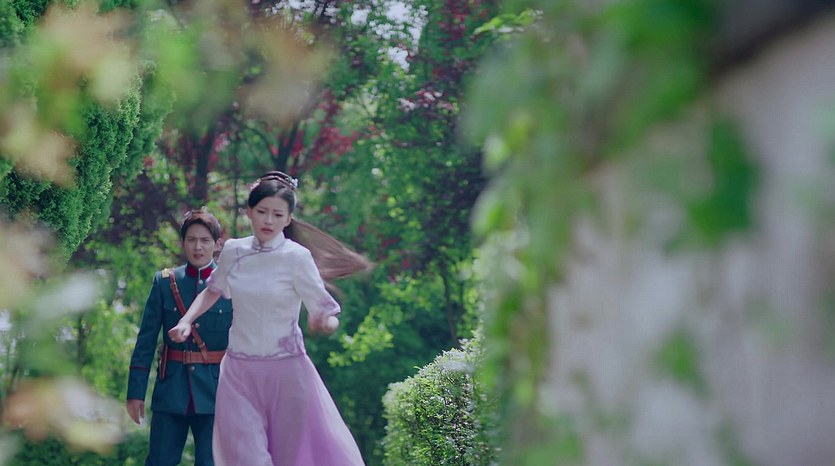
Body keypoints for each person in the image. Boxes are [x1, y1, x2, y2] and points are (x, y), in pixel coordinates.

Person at [168, 171, 371, 466]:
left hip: (287, 372)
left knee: (293, 457)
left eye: (277, 214)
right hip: (239, 371)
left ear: (288, 219)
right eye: (262, 211)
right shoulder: (234, 251)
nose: (268, 220)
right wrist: (186, 320)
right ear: (249, 211)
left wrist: (324, 323)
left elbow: (325, 310)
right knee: (247, 457)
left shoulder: (297, 258)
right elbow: (213, 291)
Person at [126, 209, 233, 466]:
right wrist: (135, 393)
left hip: (217, 392)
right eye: (191, 240)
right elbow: (146, 341)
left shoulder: (231, 285)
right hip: (171, 390)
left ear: (217, 244)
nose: (198, 247)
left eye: (205, 240)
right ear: (182, 242)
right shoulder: (165, 282)